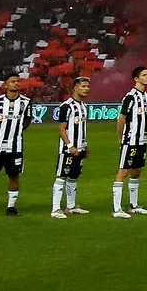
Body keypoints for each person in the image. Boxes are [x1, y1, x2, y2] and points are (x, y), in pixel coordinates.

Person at [0, 75, 33, 217]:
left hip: (15, 147)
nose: (16, 84)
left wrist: (18, 131)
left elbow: (27, 120)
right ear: (5, 85)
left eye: (17, 81)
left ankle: (11, 208)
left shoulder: (26, 102)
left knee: (14, 176)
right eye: (12, 81)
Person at [114, 65, 147, 218]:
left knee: (137, 171)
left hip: (142, 140)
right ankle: (117, 209)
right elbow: (121, 119)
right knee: (123, 172)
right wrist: (121, 138)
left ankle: (134, 205)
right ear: (136, 79)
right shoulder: (130, 97)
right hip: (130, 140)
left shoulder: (146, 96)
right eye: (144, 75)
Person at [55, 74, 91, 218]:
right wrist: (69, 145)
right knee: (61, 176)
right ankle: (55, 209)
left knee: (74, 176)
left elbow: (81, 128)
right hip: (68, 149)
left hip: (80, 148)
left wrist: (85, 145)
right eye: (83, 86)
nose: (86, 89)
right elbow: (61, 128)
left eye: (87, 86)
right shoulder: (66, 106)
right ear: (75, 88)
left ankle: (71, 206)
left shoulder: (83, 106)